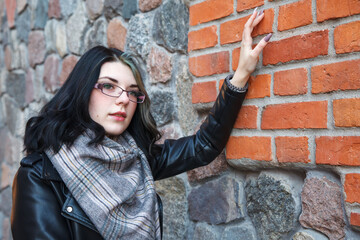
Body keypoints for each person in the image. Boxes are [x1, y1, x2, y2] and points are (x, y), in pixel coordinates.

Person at [11, 9, 271, 240]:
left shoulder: (136, 159)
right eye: (109, 86)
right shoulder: (40, 176)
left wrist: (241, 74)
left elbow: (203, 146)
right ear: (81, 91)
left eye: (132, 92)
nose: (124, 99)